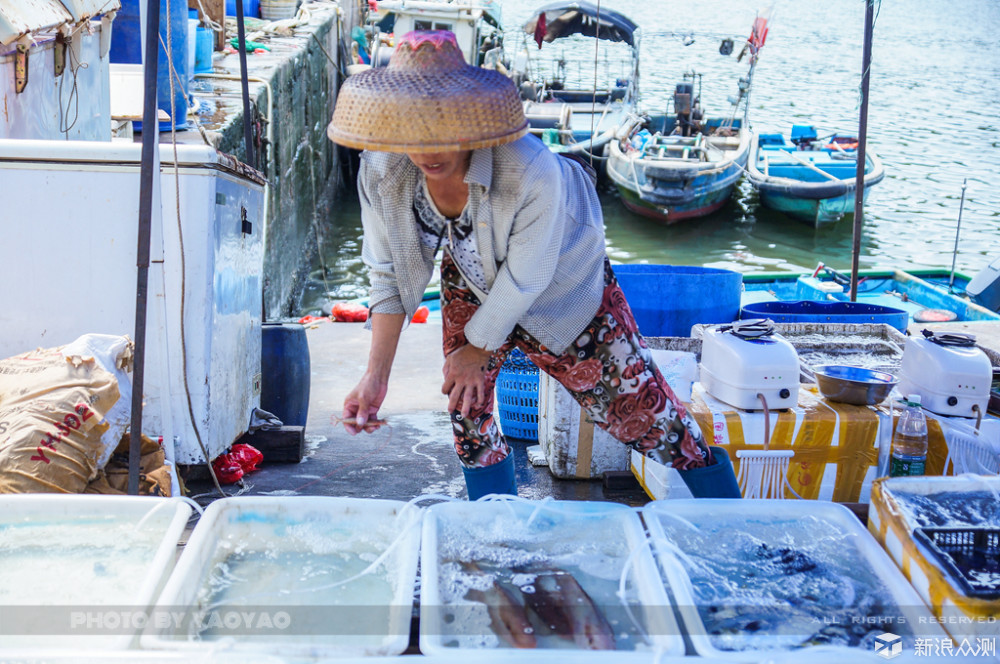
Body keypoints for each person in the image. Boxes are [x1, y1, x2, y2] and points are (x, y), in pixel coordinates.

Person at [327, 30, 724, 500]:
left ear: (469, 117)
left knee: (647, 416)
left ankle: (733, 522)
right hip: (471, 274)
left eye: (442, 128)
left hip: (563, 282)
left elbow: (527, 277)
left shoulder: (532, 168)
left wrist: (477, 348)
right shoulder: (381, 168)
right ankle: (497, 536)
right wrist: (376, 376)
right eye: (413, 131)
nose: (428, 150)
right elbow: (388, 273)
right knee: (467, 410)